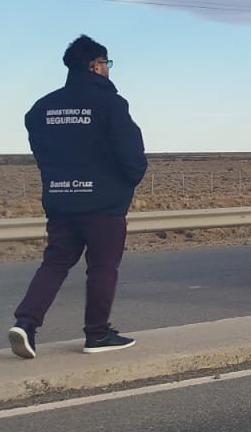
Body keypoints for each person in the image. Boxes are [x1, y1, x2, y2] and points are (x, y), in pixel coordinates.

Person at [8, 35, 148, 359]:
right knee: (102, 267)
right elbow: (132, 154)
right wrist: (124, 185)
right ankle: (97, 335)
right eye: (107, 64)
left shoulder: (42, 107)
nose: (108, 70)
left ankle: (25, 322)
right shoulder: (111, 104)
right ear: (96, 65)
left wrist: (57, 179)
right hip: (102, 205)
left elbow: (41, 150)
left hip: (61, 201)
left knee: (55, 263)